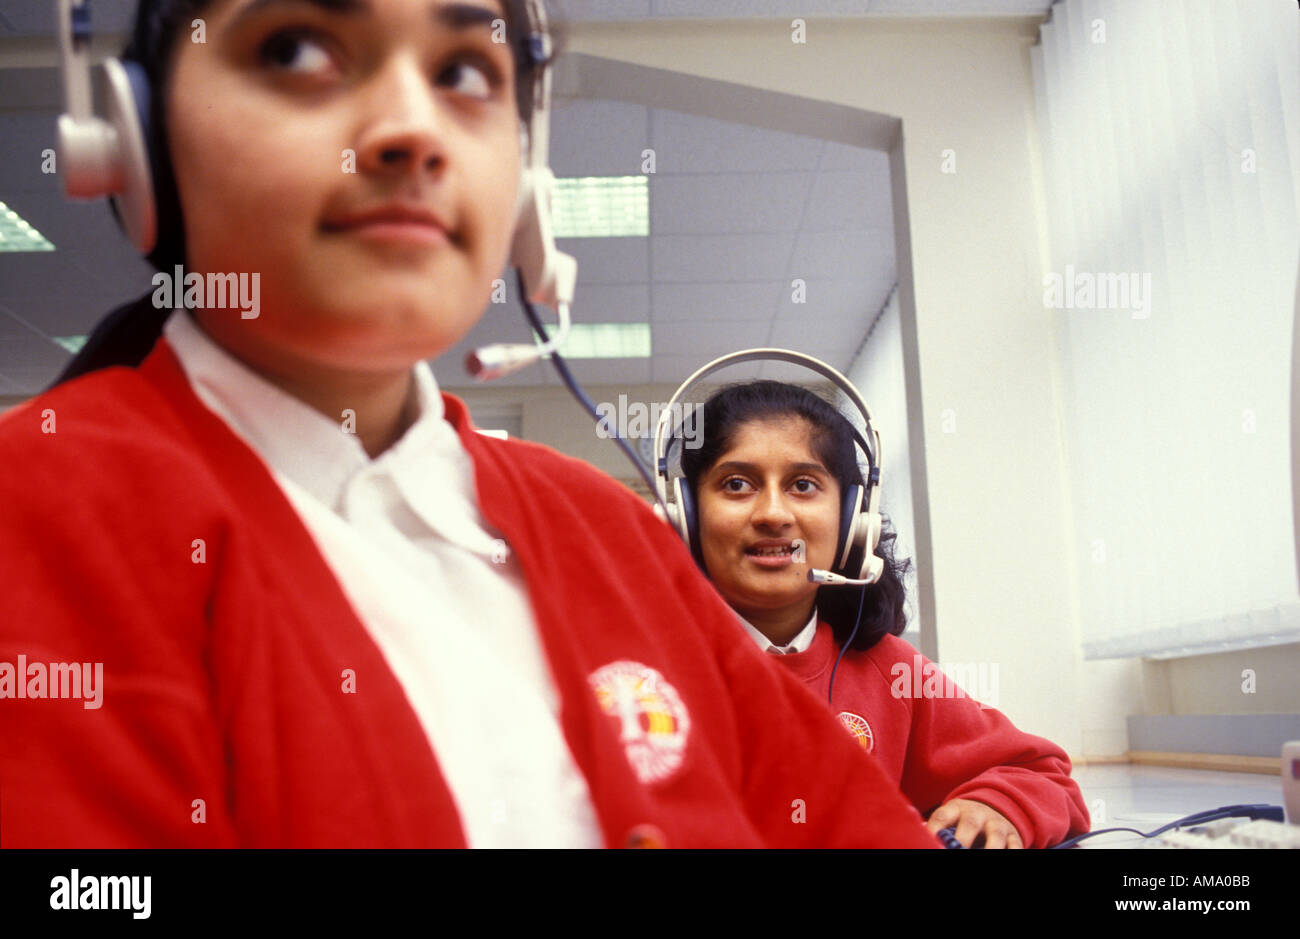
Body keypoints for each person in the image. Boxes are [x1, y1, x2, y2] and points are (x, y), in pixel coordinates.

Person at [0, 0, 941, 849]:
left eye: (462, 72)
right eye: (295, 47)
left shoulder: (610, 532)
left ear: (524, 174)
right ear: (137, 134)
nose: (413, 130)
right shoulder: (39, 513)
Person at [677, 379, 1091, 848]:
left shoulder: (892, 671)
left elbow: (1041, 776)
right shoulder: (641, 667)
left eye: (803, 484)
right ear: (685, 514)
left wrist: (998, 804)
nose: (773, 513)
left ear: (854, 518)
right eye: (737, 484)